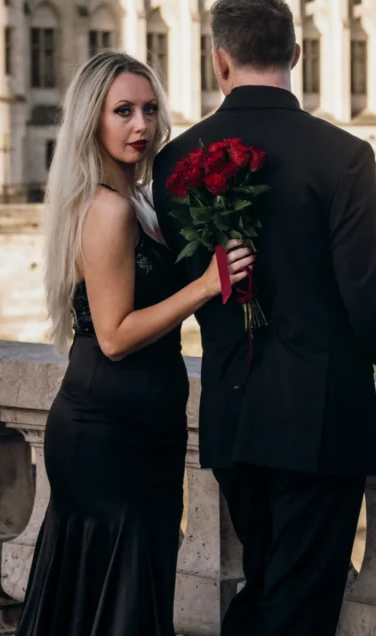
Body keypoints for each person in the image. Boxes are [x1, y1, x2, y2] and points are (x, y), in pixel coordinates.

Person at [152, 0, 376, 636]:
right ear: (296, 53)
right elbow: (370, 296)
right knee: (296, 602)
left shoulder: (177, 159)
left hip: (231, 419)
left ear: (219, 62)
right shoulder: (341, 155)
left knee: (269, 587)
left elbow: (183, 284)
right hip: (318, 423)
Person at [17, 50, 253, 636]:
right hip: (106, 431)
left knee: (120, 594)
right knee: (114, 599)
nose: (141, 126)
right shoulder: (110, 209)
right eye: (122, 111)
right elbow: (116, 335)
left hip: (143, 427)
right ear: (92, 120)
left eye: (149, 109)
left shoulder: (140, 201)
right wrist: (204, 285)